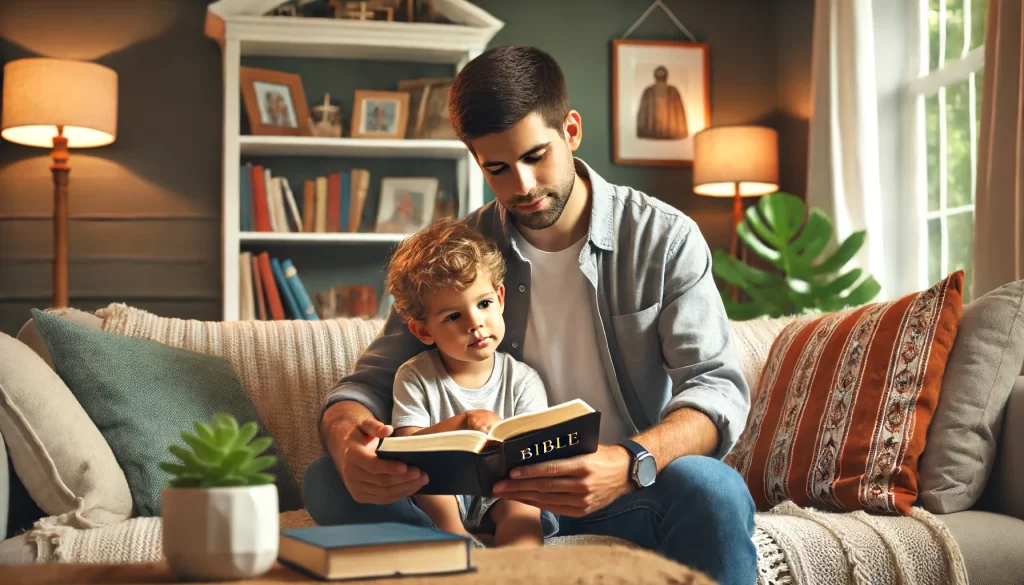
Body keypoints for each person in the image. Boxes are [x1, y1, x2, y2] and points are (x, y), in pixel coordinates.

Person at [304, 45, 756, 585]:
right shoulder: (462, 252)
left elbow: (715, 389)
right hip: (491, 498)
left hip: (626, 487)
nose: (521, 185)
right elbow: (365, 386)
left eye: (535, 156)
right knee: (329, 481)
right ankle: (468, 565)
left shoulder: (664, 236)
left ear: (571, 130)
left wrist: (628, 462)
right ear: (477, 160)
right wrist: (347, 437)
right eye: (497, 167)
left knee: (716, 490)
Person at [383, 218, 554, 548]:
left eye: (484, 304)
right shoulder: (415, 376)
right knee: (424, 481)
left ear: (501, 299)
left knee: (524, 504)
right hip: (443, 490)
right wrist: (462, 425)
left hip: (503, 490)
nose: (475, 323)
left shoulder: (523, 380)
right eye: (453, 316)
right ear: (423, 331)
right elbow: (408, 445)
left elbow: (534, 452)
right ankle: (456, 540)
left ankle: (522, 561)